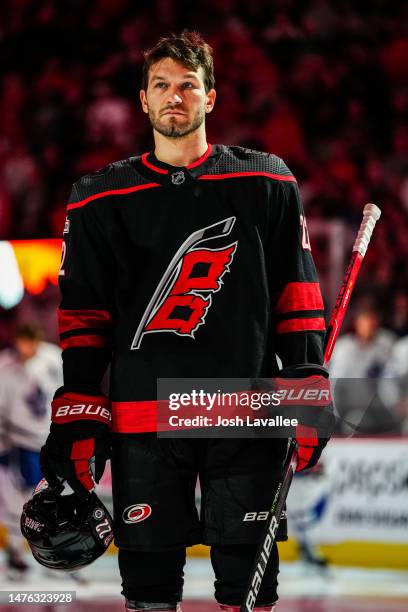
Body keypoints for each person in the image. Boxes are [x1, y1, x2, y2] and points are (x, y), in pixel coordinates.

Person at [40, 31, 332, 611]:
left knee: (248, 589)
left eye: (188, 86)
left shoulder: (266, 182)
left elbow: (298, 296)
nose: (175, 96)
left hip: (245, 413)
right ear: (143, 101)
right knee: (148, 590)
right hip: (142, 419)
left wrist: (306, 382)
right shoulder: (99, 197)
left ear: (211, 98)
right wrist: (78, 406)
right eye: (162, 86)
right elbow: (83, 316)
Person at [0, 323, 62, 576]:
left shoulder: (53, 358)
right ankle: (16, 550)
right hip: (18, 440)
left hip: (49, 439)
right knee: (19, 497)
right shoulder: (5, 366)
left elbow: (63, 393)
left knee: (53, 496)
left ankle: (54, 551)